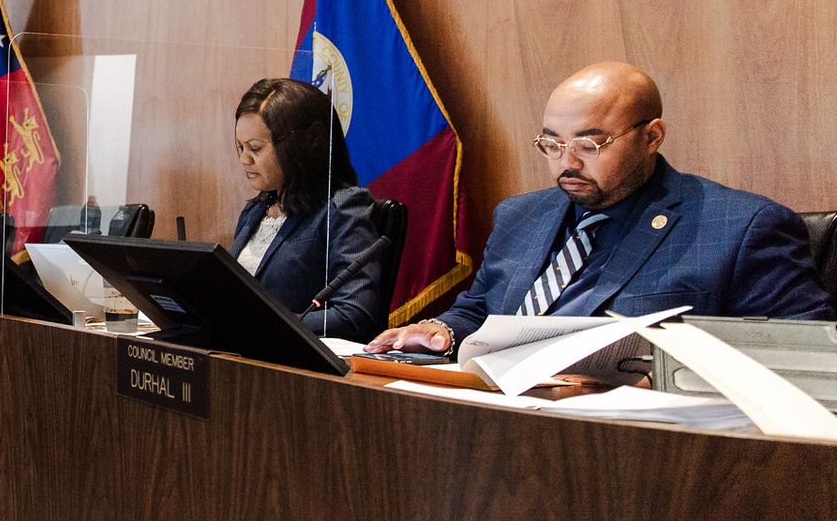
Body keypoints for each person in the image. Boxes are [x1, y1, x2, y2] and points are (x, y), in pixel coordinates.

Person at [368, 61, 831, 356]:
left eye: (590, 143)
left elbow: (801, 356)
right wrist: (440, 330)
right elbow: (482, 312)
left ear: (652, 137)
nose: (566, 162)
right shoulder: (519, 217)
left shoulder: (741, 227)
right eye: (551, 143)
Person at [228, 78, 387, 341]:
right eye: (240, 147)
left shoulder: (343, 208)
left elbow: (354, 313)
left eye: (255, 148)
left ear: (304, 143)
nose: (244, 159)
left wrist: (262, 324)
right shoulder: (255, 211)